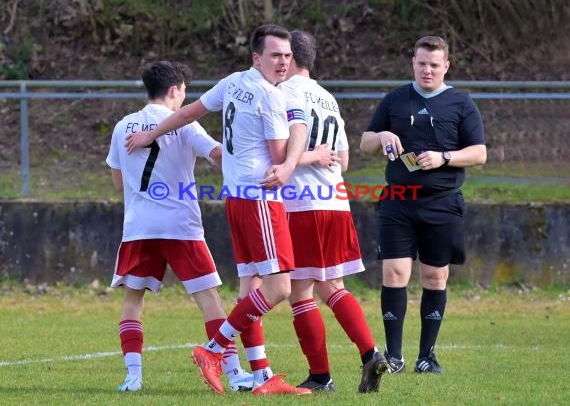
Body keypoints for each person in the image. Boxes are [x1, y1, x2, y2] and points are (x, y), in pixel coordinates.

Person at [124, 24, 310, 396]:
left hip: (238, 199)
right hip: (260, 200)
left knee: (249, 289)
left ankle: (262, 376)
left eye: (287, 55)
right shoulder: (270, 97)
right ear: (256, 57)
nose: (283, 62)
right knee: (278, 288)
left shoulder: (233, 82)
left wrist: (149, 135)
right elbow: (278, 157)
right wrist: (301, 153)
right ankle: (213, 349)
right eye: (275, 55)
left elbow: (186, 113)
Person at [106, 61, 253, 393]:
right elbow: (217, 154)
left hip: (139, 226)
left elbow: (118, 181)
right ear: (174, 91)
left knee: (133, 299)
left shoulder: (123, 126)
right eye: (185, 92)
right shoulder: (184, 125)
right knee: (209, 299)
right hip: (180, 226)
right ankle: (233, 373)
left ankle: (133, 377)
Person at [360, 36, 486, 374]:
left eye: (434, 64)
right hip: (398, 202)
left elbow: (479, 153)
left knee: (434, 277)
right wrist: (382, 136)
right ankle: (395, 358)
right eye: (421, 63)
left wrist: (444, 157)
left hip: (442, 203)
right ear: (413, 63)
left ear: (446, 66)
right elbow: (365, 143)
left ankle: (427, 356)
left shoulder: (461, 103)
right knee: (394, 272)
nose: (427, 69)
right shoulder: (395, 99)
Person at [279, 30, 388, 393]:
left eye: (282, 55)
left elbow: (280, 152)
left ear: (290, 57)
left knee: (300, 291)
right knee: (332, 286)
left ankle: (321, 376)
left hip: (302, 203)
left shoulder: (283, 94)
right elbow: (342, 158)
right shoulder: (328, 99)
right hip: (336, 202)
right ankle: (371, 353)